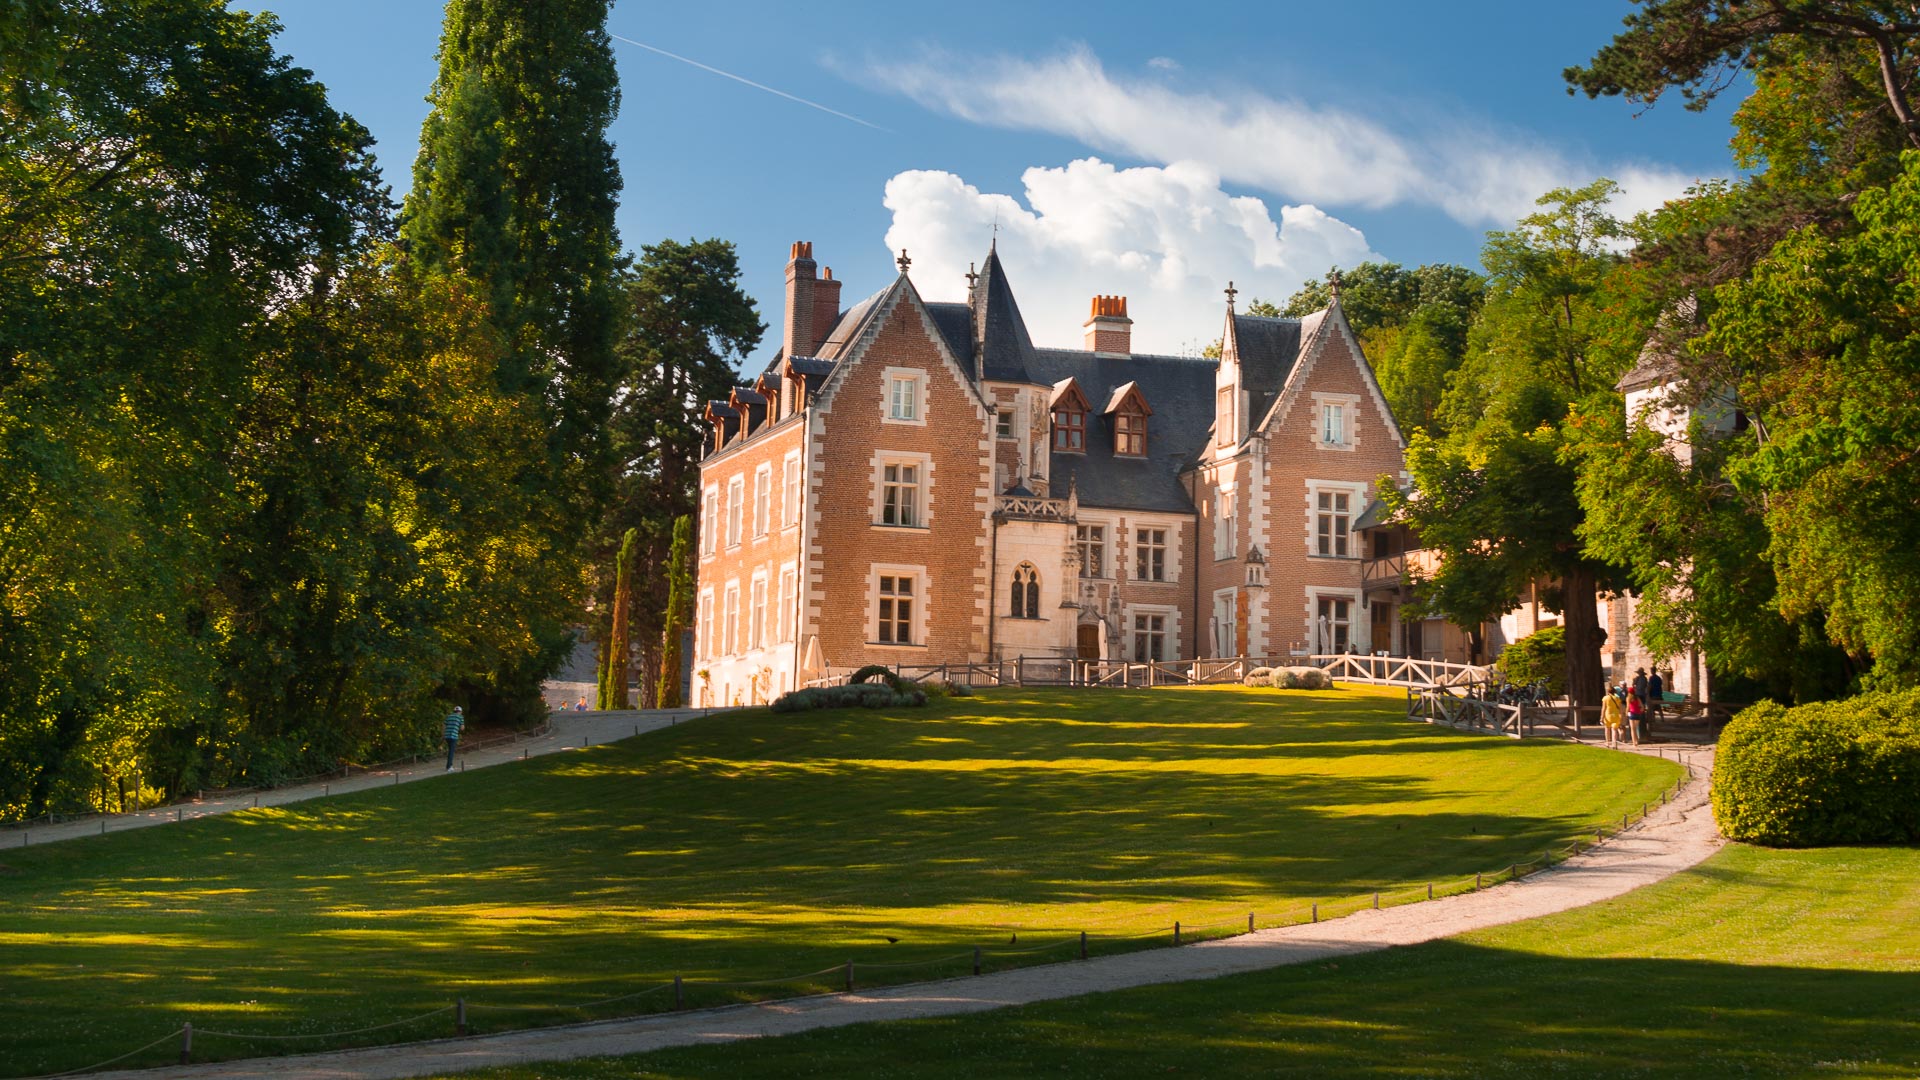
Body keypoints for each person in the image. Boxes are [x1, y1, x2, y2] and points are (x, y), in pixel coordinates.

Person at [443, 705, 465, 770]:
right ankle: (449, 767)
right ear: (460, 711)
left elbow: (443, 725)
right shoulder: (460, 717)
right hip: (453, 736)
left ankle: (450, 765)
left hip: (447, 736)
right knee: (451, 751)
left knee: (450, 750)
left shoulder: (449, 716)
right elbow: (462, 728)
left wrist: (443, 734)